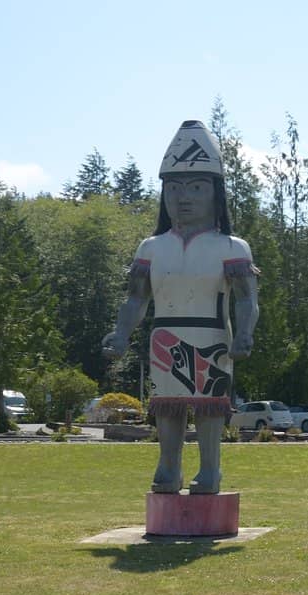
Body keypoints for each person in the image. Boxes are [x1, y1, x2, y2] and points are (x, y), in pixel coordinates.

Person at [103, 120, 260, 494]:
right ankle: (168, 466)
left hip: (211, 334)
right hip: (166, 332)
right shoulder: (152, 248)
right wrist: (122, 332)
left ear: (214, 193)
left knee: (209, 407)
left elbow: (246, 298)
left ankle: (210, 470)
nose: (183, 197)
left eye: (195, 187)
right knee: (168, 407)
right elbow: (137, 298)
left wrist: (245, 334)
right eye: (173, 188)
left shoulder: (232, 248)